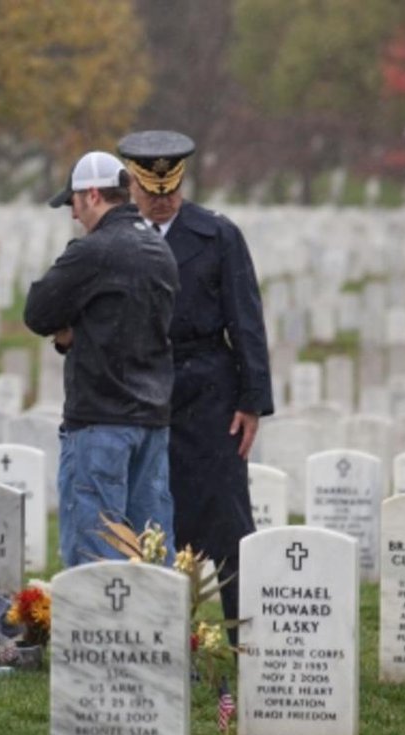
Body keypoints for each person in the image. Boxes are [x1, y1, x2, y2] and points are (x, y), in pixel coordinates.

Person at [117, 129, 274, 641]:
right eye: (152, 193)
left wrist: (252, 401)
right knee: (150, 519)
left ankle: (242, 638)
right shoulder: (116, 238)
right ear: (133, 187)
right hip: (142, 387)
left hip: (209, 391)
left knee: (227, 519)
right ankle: (155, 640)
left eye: (171, 192)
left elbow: (245, 318)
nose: (162, 203)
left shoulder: (217, 235)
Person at [23, 150, 180, 568]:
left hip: (100, 421)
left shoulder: (93, 252)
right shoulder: (159, 249)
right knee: (152, 548)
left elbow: (36, 311)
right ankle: (152, 634)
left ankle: (101, 636)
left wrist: (68, 332)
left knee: (98, 554)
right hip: (152, 421)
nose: (73, 214)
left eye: (73, 202)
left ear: (92, 195)